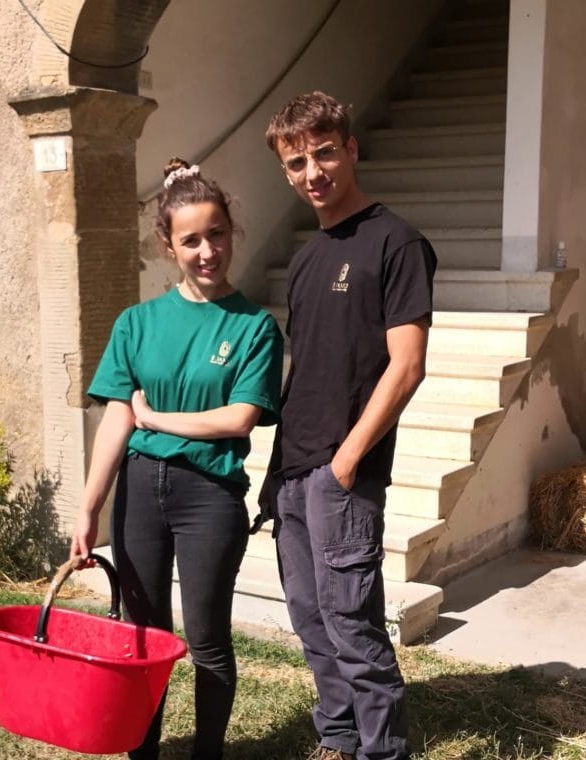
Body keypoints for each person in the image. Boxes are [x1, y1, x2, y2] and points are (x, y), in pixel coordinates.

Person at [70, 158, 284, 760]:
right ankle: (144, 754)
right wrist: (89, 508)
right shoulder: (136, 323)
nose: (207, 251)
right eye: (191, 240)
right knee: (144, 637)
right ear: (169, 246)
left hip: (209, 496)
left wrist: (157, 418)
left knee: (208, 640)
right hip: (139, 491)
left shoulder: (255, 328)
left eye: (217, 234)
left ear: (231, 233)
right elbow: (118, 417)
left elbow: (238, 418)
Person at [262, 91, 437, 760]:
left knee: (353, 628)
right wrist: (277, 475)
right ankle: (338, 737)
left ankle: (382, 750)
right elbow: (306, 372)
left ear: (351, 148)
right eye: (297, 162)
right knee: (311, 622)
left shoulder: (396, 242)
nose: (313, 172)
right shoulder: (307, 258)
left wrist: (346, 461)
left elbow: (407, 365)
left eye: (325, 153)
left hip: (344, 472)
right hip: (294, 469)